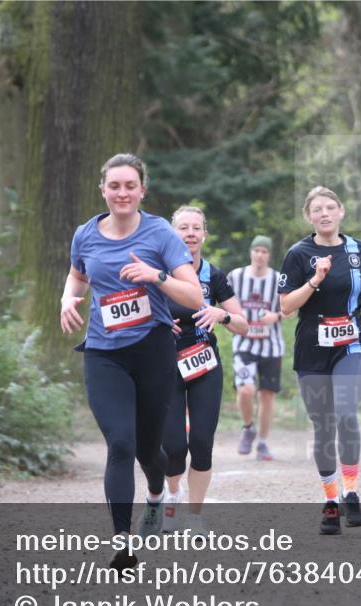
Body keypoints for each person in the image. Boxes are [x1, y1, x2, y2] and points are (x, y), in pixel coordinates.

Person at [59, 153, 203, 572]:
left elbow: (194, 297)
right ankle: (123, 546)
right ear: (103, 189)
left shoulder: (160, 234)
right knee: (120, 443)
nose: (122, 193)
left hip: (153, 349)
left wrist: (155, 276)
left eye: (130, 186)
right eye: (114, 185)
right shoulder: (86, 234)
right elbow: (77, 275)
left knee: (147, 446)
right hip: (104, 354)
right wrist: (69, 297)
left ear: (142, 190)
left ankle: (156, 492)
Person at [279, 186, 361, 535]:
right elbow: (286, 306)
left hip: (351, 342)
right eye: (317, 209)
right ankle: (329, 501)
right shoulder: (298, 254)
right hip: (311, 347)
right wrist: (315, 280)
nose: (324, 213)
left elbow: (358, 297)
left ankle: (350, 493)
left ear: (341, 211)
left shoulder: (356, 250)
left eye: (330, 207)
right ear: (309, 217)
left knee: (345, 410)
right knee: (323, 425)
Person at [162, 206, 248, 535]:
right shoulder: (159, 273)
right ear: (172, 234)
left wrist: (221, 315)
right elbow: (137, 316)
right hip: (166, 366)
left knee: (201, 441)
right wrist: (156, 323)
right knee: (172, 447)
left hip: (204, 365)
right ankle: (171, 498)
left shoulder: (213, 275)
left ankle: (195, 516)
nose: (190, 233)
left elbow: (243, 326)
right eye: (183, 228)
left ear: (204, 235)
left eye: (196, 228)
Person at [227, 235, 285, 461]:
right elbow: (223, 301)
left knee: (267, 396)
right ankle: (248, 427)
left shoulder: (279, 280)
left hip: (272, 346)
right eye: (256, 251)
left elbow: (292, 308)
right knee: (245, 390)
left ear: (269, 255)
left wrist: (276, 315)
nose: (260, 255)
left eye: (264, 251)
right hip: (244, 343)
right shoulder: (235, 277)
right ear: (250, 252)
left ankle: (262, 442)